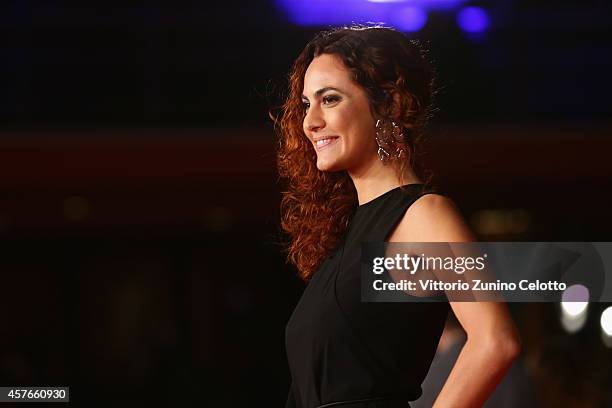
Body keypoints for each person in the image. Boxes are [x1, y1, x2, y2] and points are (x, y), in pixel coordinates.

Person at [275, 25, 521, 408]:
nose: (310, 122)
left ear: (387, 104)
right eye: (307, 104)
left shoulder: (424, 215)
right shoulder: (347, 233)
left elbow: (496, 341)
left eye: (330, 99)